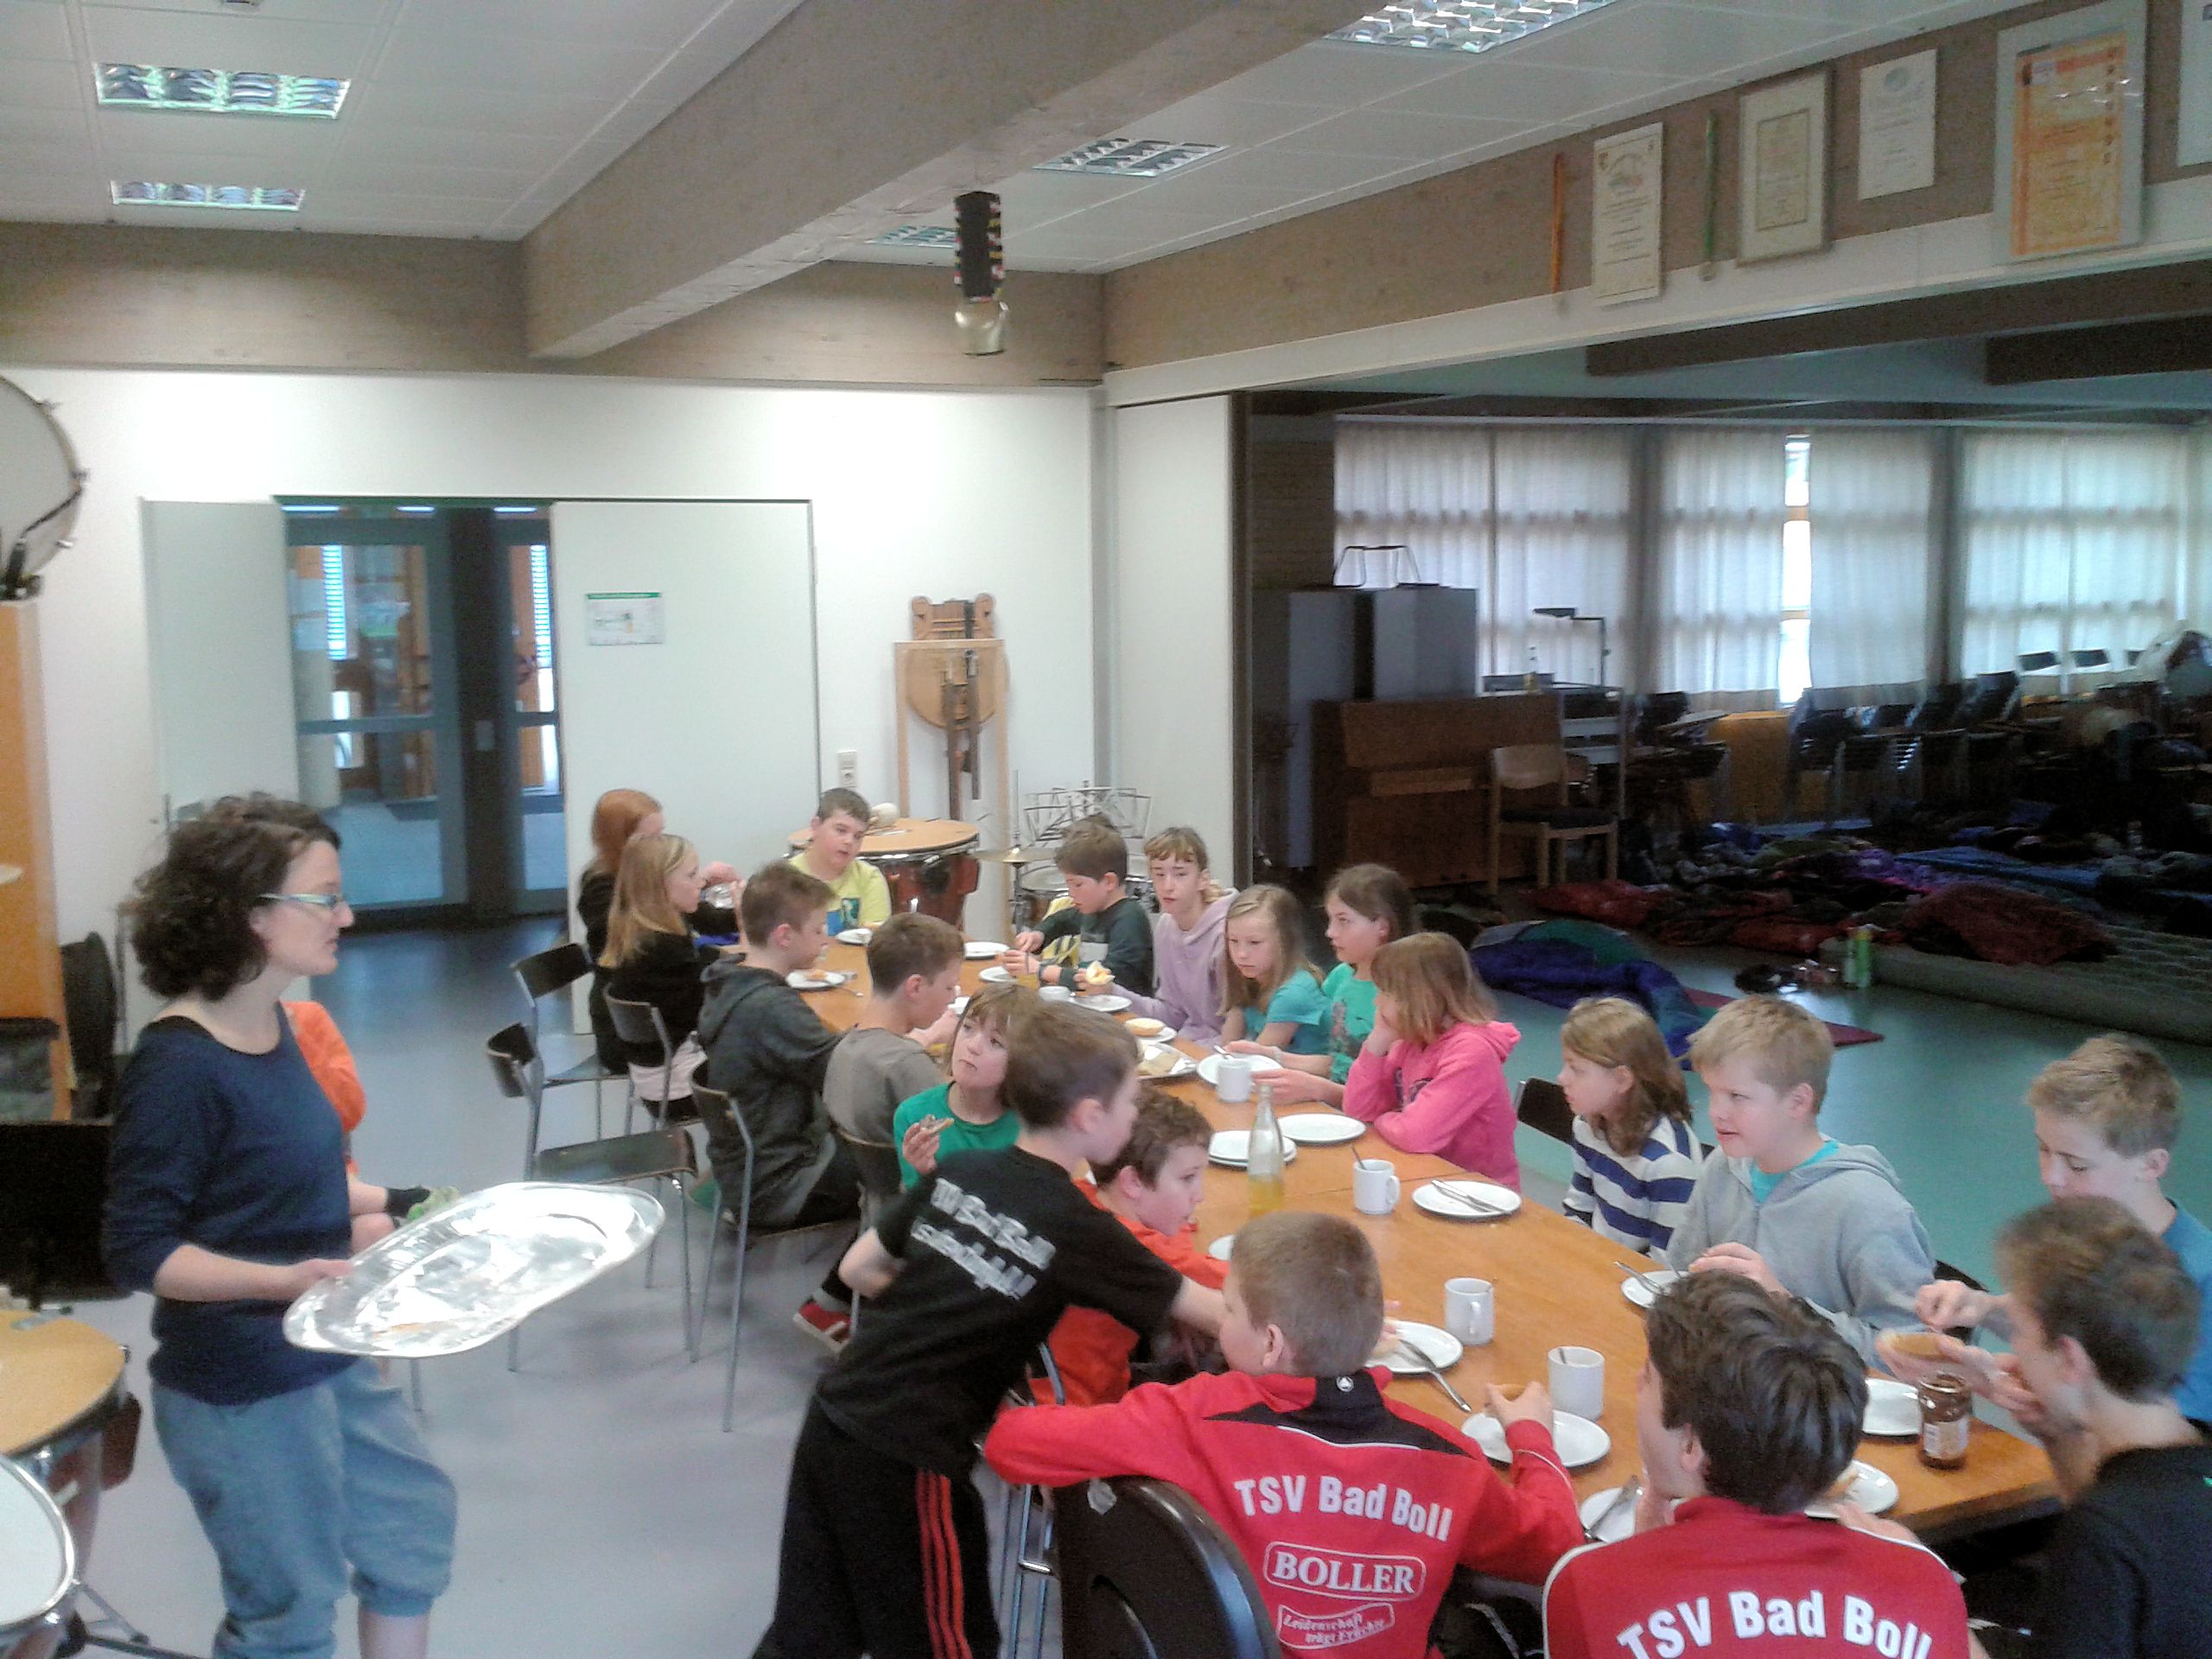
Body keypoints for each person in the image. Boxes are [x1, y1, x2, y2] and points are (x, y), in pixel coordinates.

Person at [749, 1004, 1226, 1659]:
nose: (1134, 1113)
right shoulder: (1079, 1227)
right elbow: (1215, 1313)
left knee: (811, 1634)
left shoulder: (964, 1171)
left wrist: (962, 1301)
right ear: (1090, 1115)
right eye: (1129, 1101)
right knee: (951, 1645)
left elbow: (859, 1270)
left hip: (834, 1416)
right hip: (908, 1456)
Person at [103, 795, 454, 1659]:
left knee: (410, 1529)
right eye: (325, 898)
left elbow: (290, 1184)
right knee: (288, 1612)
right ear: (253, 916)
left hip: (324, 1344)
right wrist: (283, 1280)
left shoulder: (280, 1025)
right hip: (242, 1383)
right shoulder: (179, 1068)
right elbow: (139, 1250)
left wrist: (404, 1205)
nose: (346, 916)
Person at [988, 1211, 1583, 1659]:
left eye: (1228, 1310)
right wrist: (1531, 1434)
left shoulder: (1194, 1417)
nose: (1218, 1321)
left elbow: (1012, 1445)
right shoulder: (1451, 1459)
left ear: (1271, 1343)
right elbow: (1559, 1547)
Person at [1542, 1272, 1969, 1659]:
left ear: (1690, 1443)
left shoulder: (1586, 1585)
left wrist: (1637, 1565)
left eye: (1648, 1378)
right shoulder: (1925, 1580)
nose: (1636, 1385)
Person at [1910, 1035, 2212, 1427]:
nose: (2051, 1177)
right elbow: (2070, 1339)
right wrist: (1985, 1309)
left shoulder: (2199, 1279)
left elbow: (2172, 1436)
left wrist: (2022, 1391)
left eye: (2077, 1165)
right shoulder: (2079, 1233)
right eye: (2043, 1149)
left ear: (2151, 1165)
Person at [1974, 1198, 2209, 1659]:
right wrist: (2055, 1434)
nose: (2016, 1353)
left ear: (2069, 1359)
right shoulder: (2182, 1463)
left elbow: (2112, 1534)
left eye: (2019, 1332)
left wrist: (1925, 1595)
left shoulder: (2103, 1535)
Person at [1664, 995, 1933, 1366]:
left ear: (1798, 1102)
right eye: (1713, 1091)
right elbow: (1679, 1275)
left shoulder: (1868, 1208)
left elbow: (1914, 1354)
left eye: (1737, 1097)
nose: (1716, 1112)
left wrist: (1784, 1306)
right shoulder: (1722, 1168)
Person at [696, 861, 863, 1347]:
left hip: (745, 1167)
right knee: (907, 1175)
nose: (827, 939)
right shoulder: (770, 1007)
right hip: (780, 1182)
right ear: (785, 936)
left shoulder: (729, 981)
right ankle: (834, 1303)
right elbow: (844, 1074)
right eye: (819, 929)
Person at [1046, 1088, 1227, 1405]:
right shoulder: (1137, 1247)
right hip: (1083, 1408)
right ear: (1132, 1183)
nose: (1199, 1195)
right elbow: (1245, 1297)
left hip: (1028, 1392)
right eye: (1187, 1178)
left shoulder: (1081, 1197)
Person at [1341, 933, 1521, 1186]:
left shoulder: (1472, 1051)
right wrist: (1376, 1044)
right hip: (1425, 1174)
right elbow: (1358, 1112)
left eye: (1386, 993)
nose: (1376, 1001)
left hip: (1479, 1190)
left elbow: (1415, 1135)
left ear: (1418, 999)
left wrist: (1383, 1118)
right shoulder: (1410, 1041)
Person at [575, 787, 736, 1067]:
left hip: (661, 1018)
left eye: (661, 834)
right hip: (638, 1033)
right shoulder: (605, 890)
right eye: (651, 838)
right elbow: (641, 956)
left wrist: (748, 909)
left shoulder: (653, 897)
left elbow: (706, 919)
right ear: (622, 841)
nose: (658, 844)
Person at [1240, 862, 1417, 1107]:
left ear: (1382, 926)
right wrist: (1272, 1056)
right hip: (1335, 1103)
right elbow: (1339, 1062)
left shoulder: (1406, 995)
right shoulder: (1340, 977)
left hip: (1370, 1115)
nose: (1330, 932)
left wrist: (1318, 1089)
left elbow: (1394, 1098)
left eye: (1343, 921)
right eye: (1330, 920)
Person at [1557, 996, 1700, 1255]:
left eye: (1576, 1069)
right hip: (1597, 1260)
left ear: (1622, 1080)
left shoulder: (1668, 1164)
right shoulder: (1587, 1124)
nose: (1562, 1078)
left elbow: (1665, 1265)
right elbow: (1579, 1209)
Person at [601, 832, 721, 1116]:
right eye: (691, 875)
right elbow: (710, 1014)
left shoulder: (642, 934)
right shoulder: (663, 949)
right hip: (679, 1086)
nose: (700, 883)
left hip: (658, 1075)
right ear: (660, 886)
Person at [821, 913, 963, 1144]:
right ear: (916, 987)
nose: (952, 997)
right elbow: (954, 1143)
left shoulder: (843, 1046)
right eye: (949, 987)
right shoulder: (908, 1064)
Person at [892, 981, 1035, 1185]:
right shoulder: (914, 1115)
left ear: (1021, 1061)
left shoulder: (1032, 1127)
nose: (973, 1046)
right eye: (968, 1028)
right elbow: (917, 1204)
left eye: (995, 1042)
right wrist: (927, 1172)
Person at [1114, 824, 1233, 1042]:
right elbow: (1172, 1014)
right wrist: (1111, 992)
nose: (1167, 886)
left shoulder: (1226, 933)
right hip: (1187, 1041)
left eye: (1180, 874)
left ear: (1203, 879)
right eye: (1159, 874)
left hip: (1221, 1050)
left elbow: (1237, 1027)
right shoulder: (1166, 926)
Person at [1006, 821, 1154, 995]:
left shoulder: (1130, 919)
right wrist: (1039, 935)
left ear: (1109, 881)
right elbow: (1061, 920)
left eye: (1077, 885)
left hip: (1125, 1008)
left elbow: (1106, 978)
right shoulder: (1093, 909)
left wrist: (1041, 970)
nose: (1071, 893)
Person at [1217, 883, 1332, 1055]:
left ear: (1284, 941)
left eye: (1254, 942)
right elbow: (1228, 1050)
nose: (1241, 954)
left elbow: (1257, 1061)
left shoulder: (1294, 992)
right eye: (1233, 941)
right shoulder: (1251, 974)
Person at [788, 786, 890, 931]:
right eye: (841, 830)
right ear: (815, 827)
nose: (849, 841)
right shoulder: (785, 879)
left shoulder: (869, 878)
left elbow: (876, 939)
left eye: (858, 836)